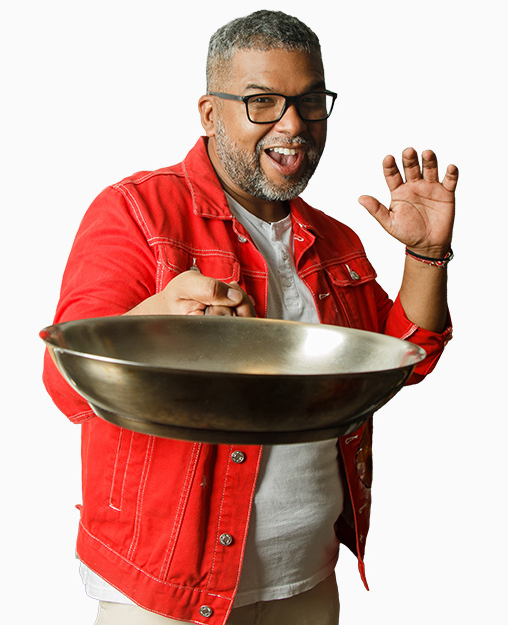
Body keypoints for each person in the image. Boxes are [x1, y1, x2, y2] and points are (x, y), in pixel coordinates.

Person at [42, 10, 457, 625]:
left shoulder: (335, 240)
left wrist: (425, 255)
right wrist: (156, 321)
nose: (293, 125)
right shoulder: (137, 211)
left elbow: (402, 362)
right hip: (166, 590)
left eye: (310, 102)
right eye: (262, 102)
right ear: (210, 114)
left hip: (306, 577)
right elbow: (65, 384)